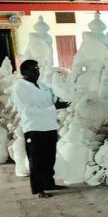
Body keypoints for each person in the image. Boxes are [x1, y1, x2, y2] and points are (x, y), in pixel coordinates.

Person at [11, 59, 69, 199]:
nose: (37, 71)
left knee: (49, 158)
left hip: (49, 126)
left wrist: (59, 103)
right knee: (36, 160)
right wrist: (53, 107)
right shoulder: (20, 88)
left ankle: (49, 183)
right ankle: (38, 189)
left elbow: (49, 103)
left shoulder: (41, 85)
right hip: (34, 128)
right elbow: (28, 110)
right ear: (25, 72)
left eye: (37, 68)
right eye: (34, 69)